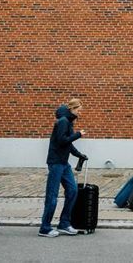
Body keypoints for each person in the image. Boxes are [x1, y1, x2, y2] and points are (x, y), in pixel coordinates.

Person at [38, 98, 88, 237]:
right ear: (72, 108)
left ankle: (64, 223)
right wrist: (78, 135)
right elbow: (62, 141)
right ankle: (45, 227)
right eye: (79, 109)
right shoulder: (63, 122)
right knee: (52, 195)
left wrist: (79, 155)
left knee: (72, 190)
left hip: (64, 163)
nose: (80, 112)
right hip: (56, 163)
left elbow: (68, 144)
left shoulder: (68, 122)